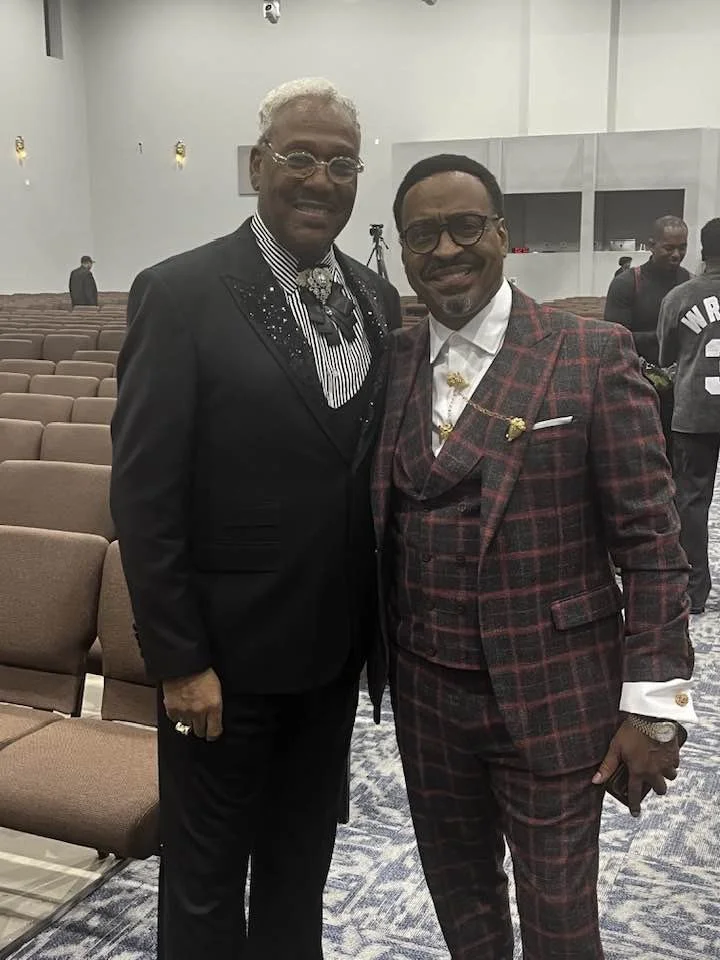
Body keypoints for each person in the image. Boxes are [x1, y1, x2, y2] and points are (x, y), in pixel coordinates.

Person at [369, 154, 695, 960]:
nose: (444, 249)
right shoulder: (393, 361)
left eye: (465, 226)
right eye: (422, 234)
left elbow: (654, 544)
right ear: (403, 251)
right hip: (426, 698)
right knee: (463, 905)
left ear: (502, 235)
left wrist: (656, 708)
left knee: (559, 923)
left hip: (555, 698)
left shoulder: (591, 353)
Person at [110, 77, 401, 960]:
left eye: (340, 162)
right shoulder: (181, 291)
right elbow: (145, 495)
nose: (320, 179)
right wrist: (180, 660)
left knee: (299, 866)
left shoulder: (376, 300)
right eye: (298, 157)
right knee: (203, 882)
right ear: (257, 165)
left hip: (333, 658)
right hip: (222, 667)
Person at [658, 217, 720, 615]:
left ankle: (695, 590)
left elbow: (665, 357)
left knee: (693, 501)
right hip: (696, 414)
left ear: (701, 250)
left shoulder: (680, 296)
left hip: (695, 412)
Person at [604, 216, 690, 456]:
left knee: (677, 461)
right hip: (636, 387)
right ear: (651, 245)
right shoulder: (627, 283)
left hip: (680, 393)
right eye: (669, 248)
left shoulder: (689, 283)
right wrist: (664, 337)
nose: (676, 254)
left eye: (682, 247)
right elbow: (615, 339)